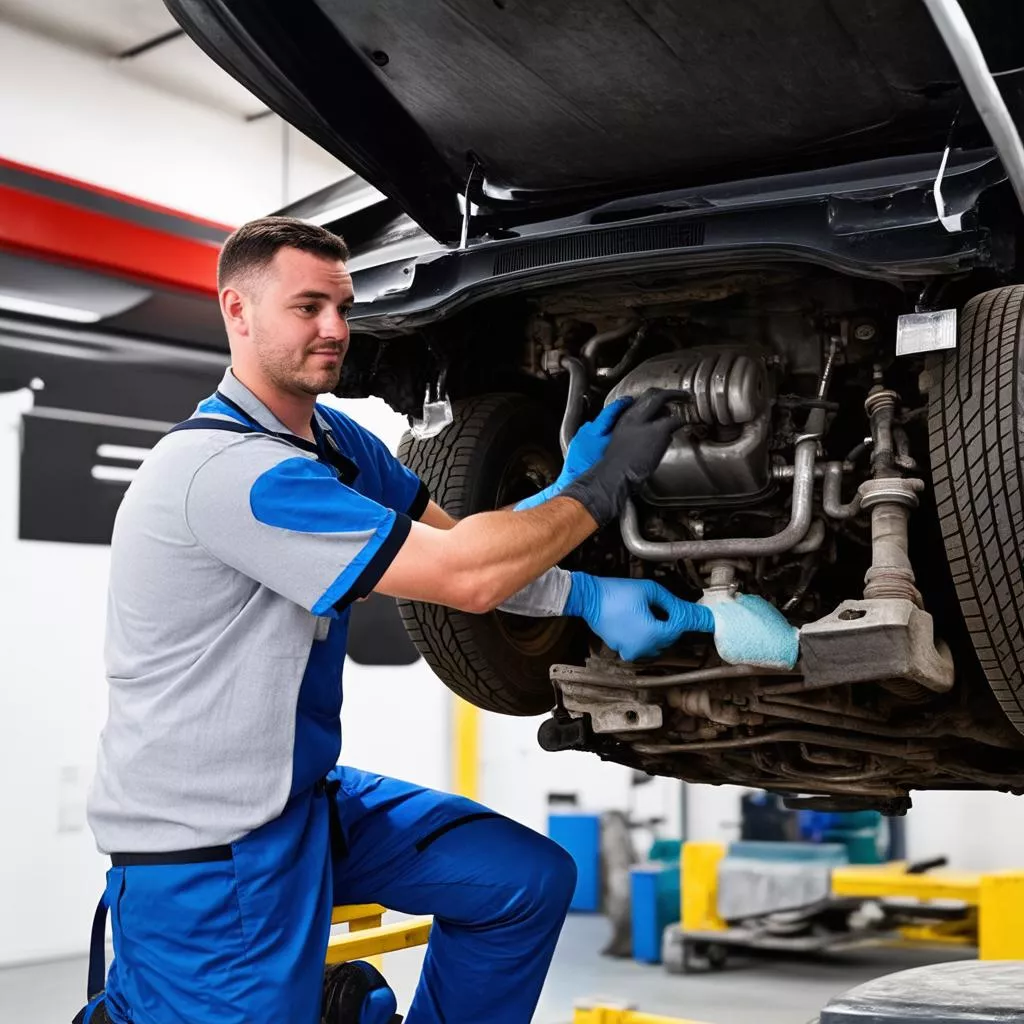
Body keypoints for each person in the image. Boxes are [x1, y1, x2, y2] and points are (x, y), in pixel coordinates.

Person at [76, 217, 797, 1024]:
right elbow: (469, 578)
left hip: (303, 803)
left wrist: (583, 580)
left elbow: (463, 545)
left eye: (343, 307)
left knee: (521, 886)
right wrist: (596, 492)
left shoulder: (333, 443)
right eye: (306, 307)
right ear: (236, 311)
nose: (335, 330)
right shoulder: (230, 476)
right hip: (206, 857)